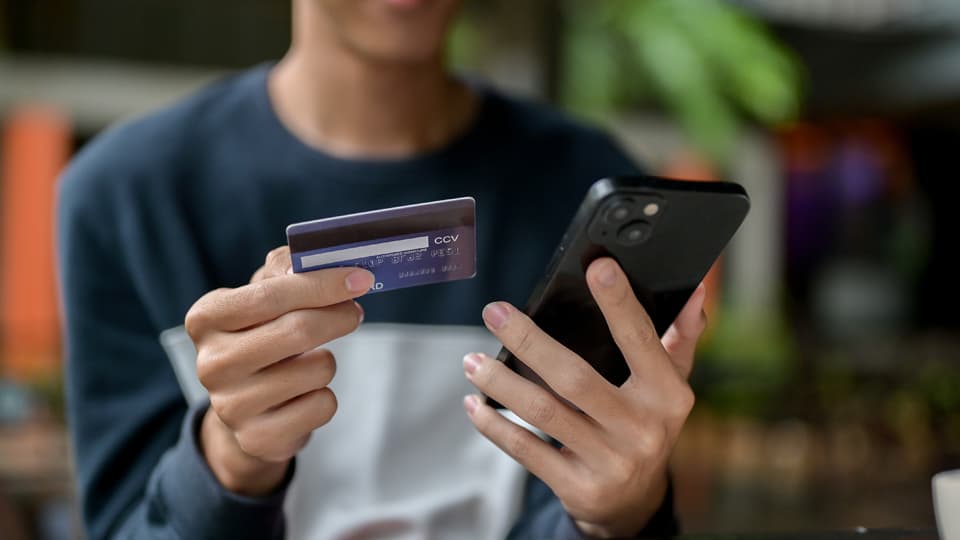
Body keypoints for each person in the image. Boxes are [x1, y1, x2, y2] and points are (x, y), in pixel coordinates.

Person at [57, 0, 708, 538]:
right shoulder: (125, 198)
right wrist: (226, 462)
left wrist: (620, 515)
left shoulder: (579, 181)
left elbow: (575, 501)